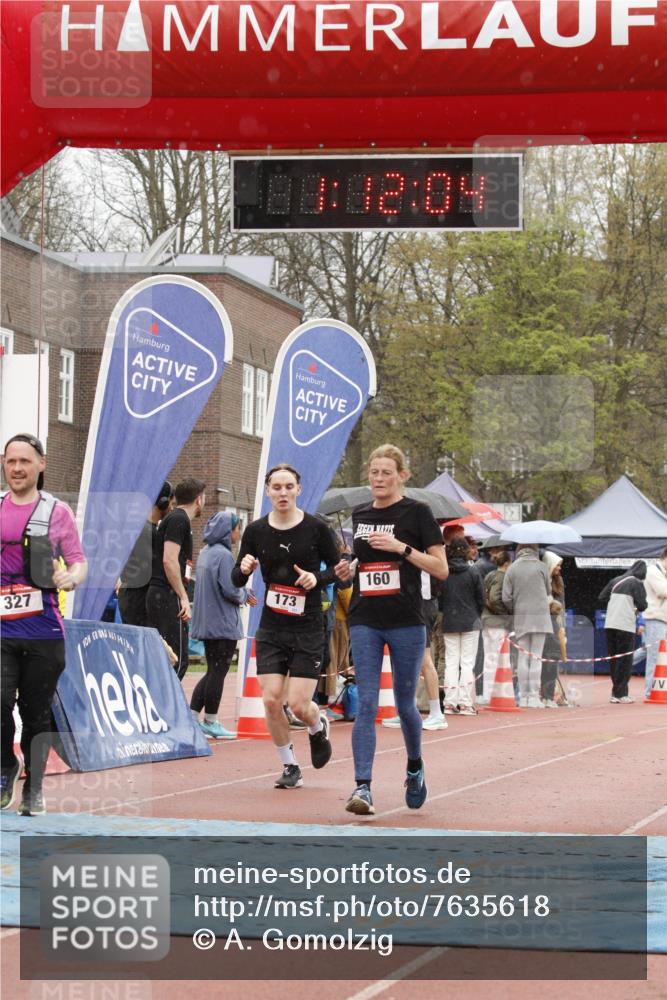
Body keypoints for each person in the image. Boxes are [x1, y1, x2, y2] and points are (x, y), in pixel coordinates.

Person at [335, 444, 448, 815]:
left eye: (386, 472)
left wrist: (402, 549)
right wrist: (348, 567)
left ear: (402, 475)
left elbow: (440, 568)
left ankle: (414, 764)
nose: (378, 479)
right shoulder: (361, 513)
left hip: (406, 620)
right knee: (366, 703)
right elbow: (360, 559)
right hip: (366, 617)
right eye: (373, 472)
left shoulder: (418, 513)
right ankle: (362, 787)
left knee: (403, 704)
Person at [231, 464, 338, 789]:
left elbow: (338, 569)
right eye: (276, 487)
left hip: (307, 627)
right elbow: (236, 577)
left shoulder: (316, 529)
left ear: (298, 490)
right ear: (267, 491)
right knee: (270, 699)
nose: (282, 493)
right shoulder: (256, 530)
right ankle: (290, 766)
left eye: (288, 486)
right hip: (272, 627)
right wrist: (245, 568)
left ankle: (317, 727)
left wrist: (316, 578)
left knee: (298, 706)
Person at [0, 433, 87, 816]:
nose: (17, 468)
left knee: (36, 711)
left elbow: (78, 560)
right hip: (2, 631)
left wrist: (71, 578)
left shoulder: (56, 512)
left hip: (43, 631)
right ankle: (6, 767)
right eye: (10, 461)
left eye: (24, 461)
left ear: (41, 464)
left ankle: (34, 786)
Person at [190, 511, 256, 739]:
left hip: (207, 622)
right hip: (222, 623)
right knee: (218, 672)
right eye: (237, 528)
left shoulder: (205, 553)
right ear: (230, 531)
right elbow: (230, 588)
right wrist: (245, 593)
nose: (239, 533)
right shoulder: (225, 556)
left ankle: (192, 716)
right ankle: (211, 720)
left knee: (212, 671)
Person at [146, 478, 206, 681]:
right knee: (177, 660)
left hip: (163, 594)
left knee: (166, 659)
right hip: (166, 594)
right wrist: (182, 596)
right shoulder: (179, 520)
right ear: (199, 499)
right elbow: (169, 561)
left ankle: (160, 705)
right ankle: (163, 708)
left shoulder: (176, 520)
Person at [117, 480, 174, 627]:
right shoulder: (147, 532)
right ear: (163, 503)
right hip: (138, 603)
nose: (172, 508)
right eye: (171, 504)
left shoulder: (139, 528)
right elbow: (148, 570)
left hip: (131, 599)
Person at [502, 544, 552, 708]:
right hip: (541, 615)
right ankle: (534, 696)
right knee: (536, 657)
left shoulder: (512, 568)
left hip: (522, 616)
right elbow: (548, 590)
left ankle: (523, 696)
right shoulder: (542, 567)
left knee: (523, 657)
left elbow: (506, 597)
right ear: (535, 551)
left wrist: (515, 608)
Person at [439, 537, 485, 715]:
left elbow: (440, 598)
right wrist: (475, 613)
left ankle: (449, 702)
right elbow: (481, 598)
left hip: (450, 620)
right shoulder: (473, 572)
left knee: (451, 662)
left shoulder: (444, 571)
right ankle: (465, 702)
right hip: (470, 620)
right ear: (466, 551)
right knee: (467, 663)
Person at [598, 560, 647, 704]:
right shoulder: (637, 583)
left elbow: (601, 597)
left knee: (614, 659)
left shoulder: (616, 580)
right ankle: (622, 693)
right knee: (625, 660)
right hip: (625, 624)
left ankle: (615, 693)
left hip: (610, 623)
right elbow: (643, 605)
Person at [480, 549, 512, 704]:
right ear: (507, 563)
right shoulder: (502, 577)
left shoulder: (489, 575)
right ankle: (493, 693)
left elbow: (486, 596)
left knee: (488, 659)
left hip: (486, 621)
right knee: (497, 660)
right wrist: (504, 614)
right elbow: (494, 598)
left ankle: (487, 693)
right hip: (497, 623)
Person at [541, 552, 566, 708]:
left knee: (553, 658)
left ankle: (549, 695)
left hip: (555, 623)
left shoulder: (559, 581)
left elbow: (562, 602)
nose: (559, 568)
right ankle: (543, 694)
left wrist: (562, 624)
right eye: (557, 564)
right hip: (542, 622)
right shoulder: (541, 581)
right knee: (544, 660)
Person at [643, 548, 667, 700]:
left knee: (660, 656)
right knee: (654, 656)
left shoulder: (662, 573)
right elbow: (663, 591)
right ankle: (650, 691)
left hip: (663, 619)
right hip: (655, 618)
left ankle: (659, 688)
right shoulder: (652, 570)